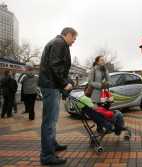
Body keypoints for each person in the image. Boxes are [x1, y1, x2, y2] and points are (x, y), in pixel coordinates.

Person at [38, 27, 77, 165]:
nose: (74, 41)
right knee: (49, 121)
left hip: (50, 84)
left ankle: (52, 144)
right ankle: (47, 155)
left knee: (51, 120)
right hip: (51, 85)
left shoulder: (57, 42)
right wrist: (64, 83)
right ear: (69, 34)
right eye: (74, 38)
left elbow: (56, 65)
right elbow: (56, 66)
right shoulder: (60, 43)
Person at [87, 55, 111, 133]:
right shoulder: (93, 70)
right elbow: (90, 82)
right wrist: (100, 85)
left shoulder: (105, 69)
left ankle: (106, 126)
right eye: (101, 60)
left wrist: (107, 83)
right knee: (97, 112)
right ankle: (99, 127)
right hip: (95, 93)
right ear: (97, 61)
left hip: (104, 94)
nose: (103, 61)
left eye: (104, 60)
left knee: (105, 110)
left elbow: (109, 80)